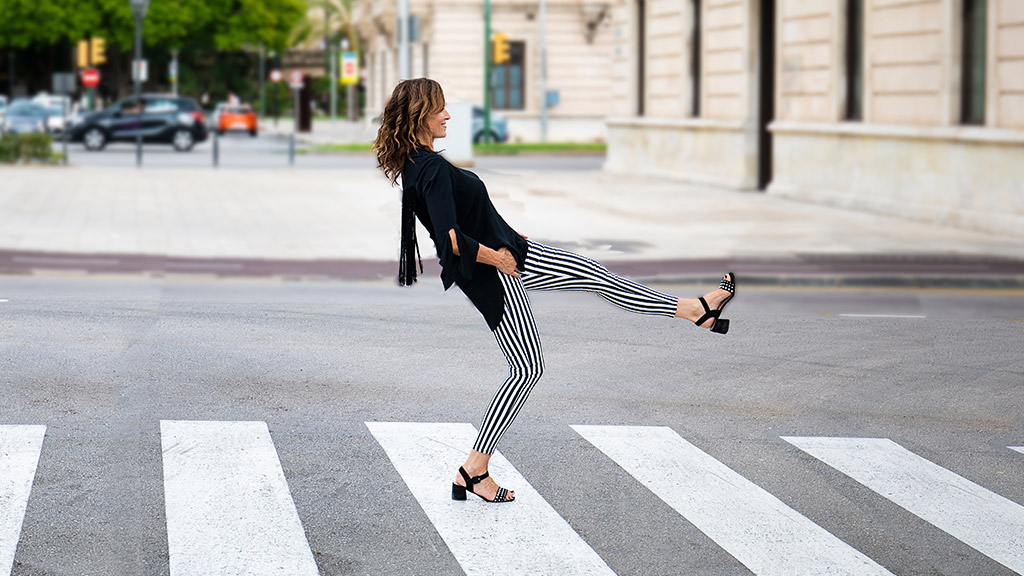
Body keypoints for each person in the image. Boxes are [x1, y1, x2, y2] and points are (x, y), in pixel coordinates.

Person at [372, 78, 736, 504]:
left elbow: (465, 218)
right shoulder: (430, 168)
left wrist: (505, 234)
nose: (448, 115)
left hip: (510, 254)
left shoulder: (422, 163)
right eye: (440, 109)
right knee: (527, 369)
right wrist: (498, 257)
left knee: (598, 278)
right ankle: (473, 469)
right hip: (498, 270)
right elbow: (450, 240)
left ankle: (696, 310)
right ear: (420, 114)